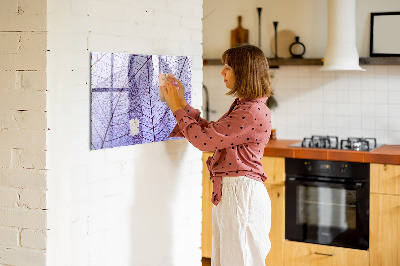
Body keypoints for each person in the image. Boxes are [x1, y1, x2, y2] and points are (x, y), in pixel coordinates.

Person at [161, 44, 273, 266]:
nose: (222, 72)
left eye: (228, 67)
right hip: (236, 193)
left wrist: (176, 108)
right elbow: (212, 133)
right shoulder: (246, 106)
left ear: (244, 72)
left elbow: (204, 141)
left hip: (241, 195)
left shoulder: (250, 111)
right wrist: (182, 103)